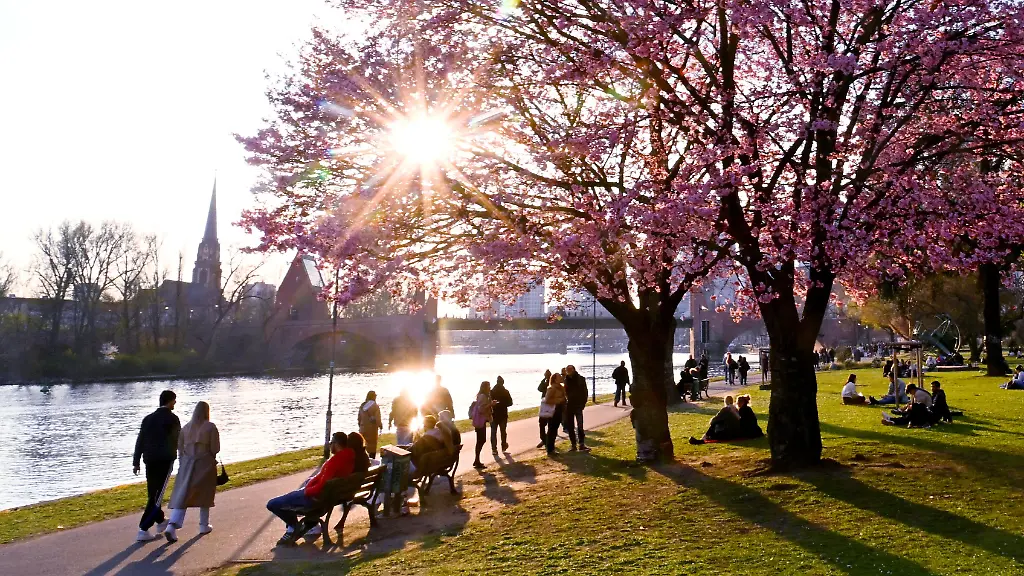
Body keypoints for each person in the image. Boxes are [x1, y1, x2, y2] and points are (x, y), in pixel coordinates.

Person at [266, 432, 354, 544]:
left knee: (272, 504)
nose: (330, 445)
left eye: (331, 442)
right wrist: (311, 482)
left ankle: (293, 527)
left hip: (314, 498)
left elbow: (321, 485)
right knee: (290, 497)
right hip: (328, 498)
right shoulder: (349, 458)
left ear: (337, 444)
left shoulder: (335, 462)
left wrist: (307, 490)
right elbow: (324, 479)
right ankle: (309, 524)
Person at [164, 401, 220, 542]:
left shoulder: (186, 428)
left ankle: (172, 525)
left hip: (187, 464)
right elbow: (215, 449)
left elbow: (180, 448)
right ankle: (203, 524)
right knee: (205, 494)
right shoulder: (210, 427)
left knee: (183, 495)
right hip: (205, 463)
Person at [133, 390, 181, 542]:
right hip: (165, 460)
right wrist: (182, 455)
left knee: (153, 492)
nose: (175, 403)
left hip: (149, 460)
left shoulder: (148, 419)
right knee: (158, 494)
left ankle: (160, 521)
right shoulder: (172, 419)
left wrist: (136, 462)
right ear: (170, 401)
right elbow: (178, 439)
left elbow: (140, 441)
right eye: (174, 400)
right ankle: (143, 528)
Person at [563, 364, 590, 452]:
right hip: (569, 405)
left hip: (578, 405)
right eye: (567, 370)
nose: (568, 372)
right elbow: (565, 392)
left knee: (580, 425)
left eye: (570, 370)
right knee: (570, 426)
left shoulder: (580, 379)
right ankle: (573, 445)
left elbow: (585, 392)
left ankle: (581, 444)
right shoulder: (566, 380)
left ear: (574, 370)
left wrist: (583, 404)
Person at [470, 381, 495, 469]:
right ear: (485, 387)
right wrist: (491, 404)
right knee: (481, 440)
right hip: (480, 421)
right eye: (488, 386)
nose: (490, 388)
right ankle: (477, 460)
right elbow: (481, 409)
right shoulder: (483, 396)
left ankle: (477, 460)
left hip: (481, 420)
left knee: (480, 440)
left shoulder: (483, 395)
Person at [542, 373, 567, 455]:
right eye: (559, 377)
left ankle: (552, 448)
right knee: (551, 429)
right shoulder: (551, 388)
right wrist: (558, 400)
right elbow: (547, 400)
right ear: (555, 379)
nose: (561, 378)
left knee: (555, 429)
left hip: (560, 410)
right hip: (553, 411)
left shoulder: (561, 387)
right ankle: (550, 449)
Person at [490, 376, 514, 453]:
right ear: (503, 383)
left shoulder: (491, 392)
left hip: (493, 414)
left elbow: (489, 402)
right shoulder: (505, 392)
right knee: (503, 432)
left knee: (493, 432)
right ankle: (503, 447)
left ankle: (494, 449)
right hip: (503, 414)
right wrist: (503, 404)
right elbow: (510, 403)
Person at [358, 391, 383, 458]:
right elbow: (378, 419)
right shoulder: (375, 406)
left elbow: (359, 418)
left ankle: (363, 459)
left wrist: (360, 426)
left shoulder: (362, 406)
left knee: (362, 445)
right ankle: (372, 460)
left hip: (363, 429)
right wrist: (380, 426)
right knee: (372, 447)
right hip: (372, 430)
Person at [537, 369, 552, 448]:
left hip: (551, 405)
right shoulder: (544, 382)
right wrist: (544, 380)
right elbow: (539, 389)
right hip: (544, 405)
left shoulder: (552, 384)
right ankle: (544, 439)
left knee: (549, 424)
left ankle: (547, 440)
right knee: (542, 424)